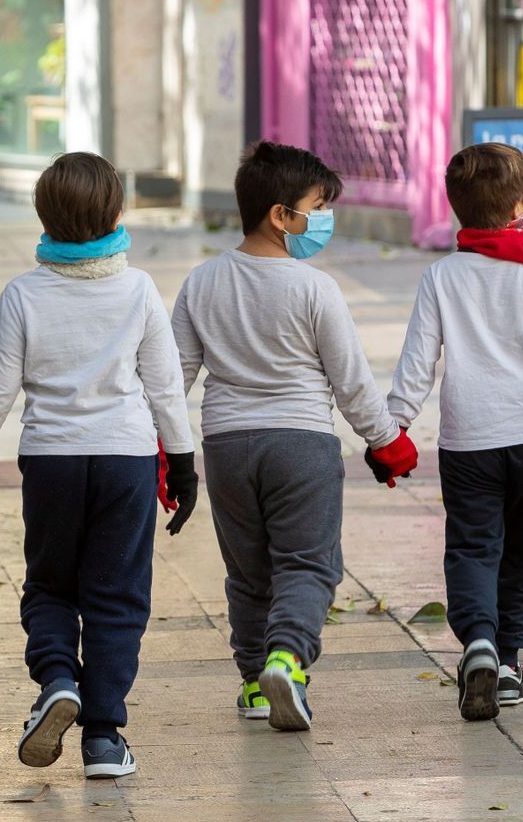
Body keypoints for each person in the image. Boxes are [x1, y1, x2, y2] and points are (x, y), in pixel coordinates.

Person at [0, 153, 198, 780]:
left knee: (50, 584)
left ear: (43, 215)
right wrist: (181, 465)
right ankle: (103, 737)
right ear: (116, 213)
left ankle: (55, 679)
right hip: (127, 460)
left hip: (51, 462)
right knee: (117, 594)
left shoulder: (24, 293)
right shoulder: (138, 290)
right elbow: (164, 388)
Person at [169, 141, 418, 731]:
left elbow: (171, 378)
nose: (324, 218)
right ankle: (288, 659)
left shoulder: (202, 282)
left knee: (248, 572)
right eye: (317, 206)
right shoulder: (315, 289)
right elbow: (352, 382)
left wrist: (161, 447)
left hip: (227, 447)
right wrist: (387, 444)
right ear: (281, 215)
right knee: (308, 566)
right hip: (301, 443)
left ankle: (256, 683)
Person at [381, 142, 523, 722]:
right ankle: (511, 663)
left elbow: (417, 364)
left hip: (468, 443)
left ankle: (479, 645)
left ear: (456, 210)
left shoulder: (442, 275)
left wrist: (392, 429)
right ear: (522, 206)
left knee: (472, 547)